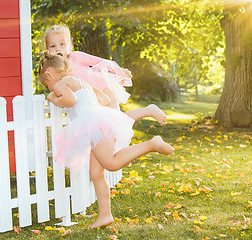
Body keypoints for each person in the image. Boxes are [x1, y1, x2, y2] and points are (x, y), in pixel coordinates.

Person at [38, 51, 175, 229]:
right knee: (96, 174)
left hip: (94, 126)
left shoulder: (61, 84)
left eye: (46, 84)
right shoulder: (81, 82)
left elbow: (70, 100)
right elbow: (105, 99)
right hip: (97, 120)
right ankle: (105, 215)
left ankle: (151, 144)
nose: (49, 88)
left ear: (49, 75)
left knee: (110, 163)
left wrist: (53, 98)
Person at [44, 24, 168, 125]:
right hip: (92, 100)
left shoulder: (75, 57)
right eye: (53, 46)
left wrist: (120, 70)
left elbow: (101, 62)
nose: (58, 49)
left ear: (69, 46)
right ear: (47, 49)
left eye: (62, 44)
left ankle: (148, 111)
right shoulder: (53, 68)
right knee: (107, 126)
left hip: (103, 89)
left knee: (116, 121)